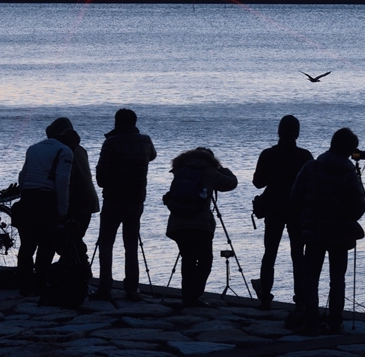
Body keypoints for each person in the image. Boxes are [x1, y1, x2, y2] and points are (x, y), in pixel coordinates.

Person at [291, 127, 365, 334]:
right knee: (337, 279)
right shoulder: (349, 173)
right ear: (350, 150)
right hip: (339, 233)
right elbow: (359, 206)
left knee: (310, 278)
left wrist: (306, 216)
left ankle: (311, 321)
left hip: (314, 230)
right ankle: (335, 322)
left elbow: (295, 196)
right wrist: (346, 219)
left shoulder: (311, 167)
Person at [93, 108, 156, 301]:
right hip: (136, 199)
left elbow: (101, 178)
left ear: (116, 122)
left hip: (113, 199)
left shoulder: (111, 142)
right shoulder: (145, 141)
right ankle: (132, 288)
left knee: (106, 244)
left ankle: (105, 287)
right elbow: (152, 156)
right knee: (131, 245)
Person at [164, 147, 238, 308]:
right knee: (205, 261)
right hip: (200, 225)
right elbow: (232, 183)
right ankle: (195, 296)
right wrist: (220, 168)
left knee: (188, 259)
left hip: (178, 223)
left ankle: (187, 296)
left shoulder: (180, 169)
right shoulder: (209, 171)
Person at [252, 114, 313, 311]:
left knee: (270, 253)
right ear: (297, 133)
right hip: (297, 210)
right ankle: (300, 299)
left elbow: (258, 183)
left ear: (279, 132)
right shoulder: (304, 156)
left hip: (273, 208)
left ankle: (265, 298)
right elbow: (311, 185)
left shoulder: (268, 154)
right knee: (298, 256)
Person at [16, 119, 73, 297]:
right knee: (46, 244)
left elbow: (23, 176)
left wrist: (24, 194)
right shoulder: (64, 151)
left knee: (27, 245)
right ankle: (41, 284)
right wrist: (63, 208)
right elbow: (63, 181)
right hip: (47, 199)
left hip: (27, 197)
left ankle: (24, 285)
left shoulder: (33, 148)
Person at [47, 118, 99, 252]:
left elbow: (67, 178)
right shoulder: (81, 150)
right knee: (75, 238)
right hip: (89, 201)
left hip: (76, 201)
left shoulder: (63, 151)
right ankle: (80, 261)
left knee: (64, 240)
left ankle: (77, 261)